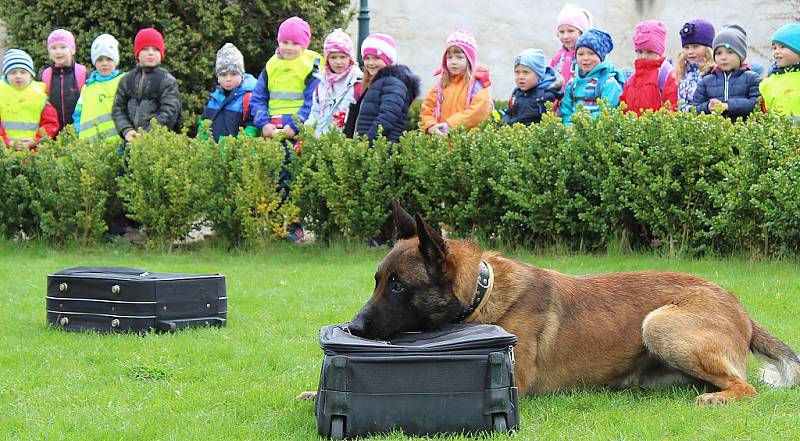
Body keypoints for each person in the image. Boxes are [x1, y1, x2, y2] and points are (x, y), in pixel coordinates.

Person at [250, 16, 321, 142]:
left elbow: (313, 101)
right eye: (285, 42)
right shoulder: (271, 65)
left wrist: (295, 126)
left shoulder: (311, 66)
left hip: (300, 132)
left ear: (304, 45)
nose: (289, 47)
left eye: (295, 43)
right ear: (278, 41)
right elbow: (257, 98)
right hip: (272, 130)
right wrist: (263, 123)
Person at [347, 33, 420, 143]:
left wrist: (366, 142)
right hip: (371, 148)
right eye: (367, 58)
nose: (371, 63)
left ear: (388, 60)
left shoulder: (392, 83)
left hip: (380, 148)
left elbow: (387, 117)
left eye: (376, 58)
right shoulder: (376, 83)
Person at [112, 27, 182, 141]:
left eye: (155, 49)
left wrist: (148, 135)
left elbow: (169, 112)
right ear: (137, 53)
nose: (151, 53)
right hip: (130, 143)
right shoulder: (126, 80)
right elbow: (118, 109)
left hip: (159, 145)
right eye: (145, 49)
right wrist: (126, 130)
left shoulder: (167, 81)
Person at [419, 29, 492, 136]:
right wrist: (431, 126)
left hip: (465, 143)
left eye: (459, 57)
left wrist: (450, 125)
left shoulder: (477, 85)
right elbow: (427, 109)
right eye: (449, 57)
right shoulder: (441, 86)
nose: (453, 61)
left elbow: (478, 112)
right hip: (440, 142)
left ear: (469, 60)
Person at [692, 25, 761, 121]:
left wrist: (728, 106)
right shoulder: (706, 81)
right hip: (714, 133)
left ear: (740, 55)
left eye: (729, 52)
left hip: (743, 132)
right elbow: (694, 108)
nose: (723, 57)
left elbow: (756, 104)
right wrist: (708, 107)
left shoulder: (751, 78)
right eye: (719, 53)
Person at [559, 28, 624, 125]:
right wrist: (569, 126)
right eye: (580, 54)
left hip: (598, 135)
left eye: (591, 53)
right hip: (573, 135)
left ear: (601, 56)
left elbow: (608, 113)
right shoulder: (572, 84)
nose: (585, 58)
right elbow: (566, 111)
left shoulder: (608, 83)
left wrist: (584, 126)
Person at [306, 29, 362, 137]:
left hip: (346, 143)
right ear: (327, 59)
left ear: (350, 58)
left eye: (343, 57)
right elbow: (315, 113)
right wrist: (306, 135)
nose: (338, 62)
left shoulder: (358, 82)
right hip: (321, 142)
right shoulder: (321, 83)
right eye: (333, 57)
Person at [0, 49, 59, 150]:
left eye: (23, 72)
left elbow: (51, 123)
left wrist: (36, 140)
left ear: (31, 75)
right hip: (4, 152)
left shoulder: (40, 94)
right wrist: (5, 141)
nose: (18, 76)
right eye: (13, 72)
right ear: (6, 75)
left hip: (33, 152)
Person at [199, 43, 258, 141]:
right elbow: (203, 125)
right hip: (212, 154)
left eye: (234, 74)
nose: (228, 79)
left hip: (237, 153)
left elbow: (253, 127)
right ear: (218, 77)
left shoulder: (248, 97)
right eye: (223, 75)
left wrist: (239, 144)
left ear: (241, 75)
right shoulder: (214, 99)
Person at [73, 34, 125, 141]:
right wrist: (79, 133)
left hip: (118, 144)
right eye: (100, 60)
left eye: (109, 59)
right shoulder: (87, 88)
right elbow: (77, 115)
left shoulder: (123, 82)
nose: (104, 63)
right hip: (90, 148)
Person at [620, 20, 678, 114]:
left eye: (649, 52)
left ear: (659, 52)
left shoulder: (666, 75)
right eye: (640, 52)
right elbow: (623, 106)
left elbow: (671, 106)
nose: (644, 56)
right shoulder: (632, 78)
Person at [40, 29, 87, 133]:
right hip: (53, 137)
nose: (58, 52)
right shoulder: (45, 76)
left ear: (72, 50)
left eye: (63, 47)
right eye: (53, 48)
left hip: (79, 135)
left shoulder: (83, 73)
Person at [501, 48, 563, 125]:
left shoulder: (546, 95)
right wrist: (504, 121)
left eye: (526, 72)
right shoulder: (517, 92)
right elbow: (510, 112)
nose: (520, 77)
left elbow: (549, 122)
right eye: (517, 72)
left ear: (539, 74)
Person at [759, 23, 800, 121]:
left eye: (782, 46)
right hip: (776, 135)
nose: (777, 51)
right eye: (774, 48)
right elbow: (763, 113)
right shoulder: (767, 84)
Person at [550, 4, 593, 92]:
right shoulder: (558, 57)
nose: (565, 36)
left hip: (582, 100)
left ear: (581, 32)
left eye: (570, 31)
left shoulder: (588, 56)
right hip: (560, 102)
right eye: (561, 32)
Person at [675, 20, 716, 112]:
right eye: (686, 47)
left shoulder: (712, 72)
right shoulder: (684, 72)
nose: (690, 52)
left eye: (695, 46)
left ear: (708, 48)